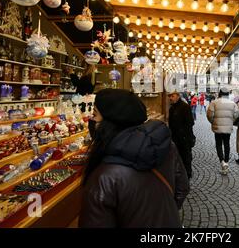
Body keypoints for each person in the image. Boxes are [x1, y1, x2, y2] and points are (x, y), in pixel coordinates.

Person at [79, 89, 189, 228]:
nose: (92, 120)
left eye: (95, 114)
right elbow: (182, 188)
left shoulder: (104, 177)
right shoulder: (166, 147)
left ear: (111, 121)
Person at [206, 87, 239, 175]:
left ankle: (222, 162)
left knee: (219, 144)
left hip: (217, 128)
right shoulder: (233, 103)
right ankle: (227, 162)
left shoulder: (214, 102)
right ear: (228, 94)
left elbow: (209, 115)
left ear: (220, 94)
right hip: (228, 127)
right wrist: (231, 122)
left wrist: (213, 122)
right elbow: (236, 115)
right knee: (227, 144)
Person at [168, 91, 195, 178]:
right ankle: (179, 174)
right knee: (177, 156)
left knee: (186, 156)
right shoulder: (172, 108)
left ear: (178, 96)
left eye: (172, 96)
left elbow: (190, 122)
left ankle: (187, 174)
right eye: (169, 96)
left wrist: (183, 134)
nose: (170, 98)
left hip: (184, 138)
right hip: (175, 137)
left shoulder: (185, 107)